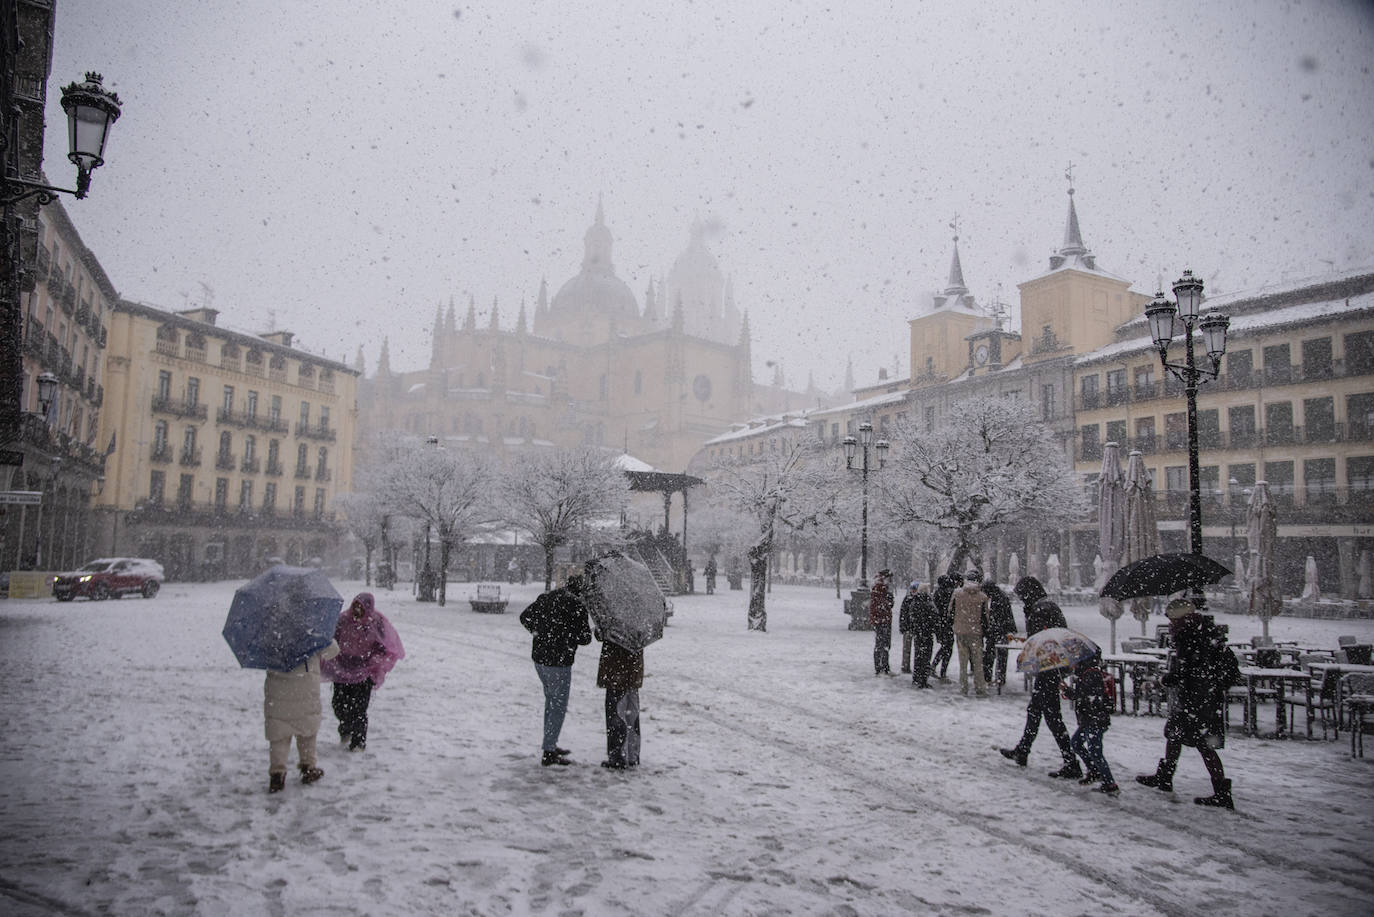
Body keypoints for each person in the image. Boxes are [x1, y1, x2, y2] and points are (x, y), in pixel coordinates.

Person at [1136, 598, 1240, 809]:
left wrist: (1164, 679)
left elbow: (1185, 672)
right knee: (1179, 737)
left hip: (1196, 700)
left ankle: (1219, 792)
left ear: (1182, 620)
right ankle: (1167, 778)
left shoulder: (1189, 638)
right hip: (1207, 699)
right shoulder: (1207, 634)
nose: (1171, 625)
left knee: (1200, 744)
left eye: (1173, 620)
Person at [999, 576, 1079, 778]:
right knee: (1034, 711)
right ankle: (1023, 750)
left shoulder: (1039, 610)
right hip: (1053, 665)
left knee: (1052, 717)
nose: (1021, 600)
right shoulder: (1047, 606)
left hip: (1048, 668)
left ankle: (1071, 761)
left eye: (1021, 596)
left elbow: (1039, 640)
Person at [518, 575, 593, 766]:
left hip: (540, 659)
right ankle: (549, 751)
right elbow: (585, 638)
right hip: (559, 662)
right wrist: (568, 638)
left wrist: (538, 632)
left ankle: (550, 743)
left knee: (550, 702)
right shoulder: (577, 606)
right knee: (557, 706)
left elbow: (524, 617)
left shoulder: (547, 597)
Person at [321, 592, 406, 753]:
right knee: (339, 704)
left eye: (362, 607)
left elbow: (384, 646)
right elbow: (331, 639)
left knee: (359, 709)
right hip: (342, 668)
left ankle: (358, 741)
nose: (358, 610)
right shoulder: (342, 620)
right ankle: (345, 727)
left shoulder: (376, 623)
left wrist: (374, 660)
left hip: (364, 671)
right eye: (356, 606)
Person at [264, 639, 339, 793]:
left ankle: (277, 773)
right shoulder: (312, 631)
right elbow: (332, 651)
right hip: (305, 687)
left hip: (278, 691)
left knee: (279, 734)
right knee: (308, 729)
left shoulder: (272, 632)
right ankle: (308, 766)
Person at [1064, 650, 1118, 795]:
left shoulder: (1090, 674)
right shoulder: (1087, 672)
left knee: (1095, 751)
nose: (1072, 663)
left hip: (1094, 720)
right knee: (1076, 743)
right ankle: (1094, 771)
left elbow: (1088, 696)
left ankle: (1109, 783)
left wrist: (1070, 693)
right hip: (1091, 719)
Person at [598, 634, 644, 770]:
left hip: (616, 669)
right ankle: (632, 754)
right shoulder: (641, 618)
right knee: (632, 713)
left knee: (616, 713)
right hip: (633, 669)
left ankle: (618, 756)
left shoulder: (613, 616)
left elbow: (600, 635)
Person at [949, 571, 989, 697]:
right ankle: (980, 687)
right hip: (976, 632)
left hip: (961, 631)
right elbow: (985, 616)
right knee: (978, 662)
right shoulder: (982, 596)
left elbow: (950, 612)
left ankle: (963, 687)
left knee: (963, 662)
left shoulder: (957, 594)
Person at [981, 579, 1017, 686]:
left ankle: (990, 677)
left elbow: (1000, 616)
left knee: (992, 654)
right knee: (999, 655)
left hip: (998, 630)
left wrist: (989, 628)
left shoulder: (998, 598)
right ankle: (999, 678)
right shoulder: (999, 596)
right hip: (999, 630)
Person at [906, 583, 938, 688]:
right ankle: (923, 679)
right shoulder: (929, 603)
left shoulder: (914, 602)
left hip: (918, 634)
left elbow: (911, 617)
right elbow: (935, 618)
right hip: (927, 634)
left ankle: (916, 677)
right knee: (926, 656)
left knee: (918, 655)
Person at [931, 573, 959, 683]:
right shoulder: (949, 593)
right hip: (946, 624)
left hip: (940, 624)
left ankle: (934, 666)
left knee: (944, 647)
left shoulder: (938, 593)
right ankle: (942, 671)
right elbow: (951, 609)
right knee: (948, 648)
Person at [869, 569, 895, 675]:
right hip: (882, 620)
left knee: (882, 644)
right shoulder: (881, 589)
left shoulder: (879, 588)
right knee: (883, 644)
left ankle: (882, 666)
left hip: (881, 620)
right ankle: (882, 667)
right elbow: (886, 605)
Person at [898, 580, 920, 674]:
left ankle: (908, 666)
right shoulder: (909, 599)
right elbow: (902, 613)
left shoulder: (910, 599)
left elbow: (903, 614)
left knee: (911, 648)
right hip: (910, 627)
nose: (913, 590)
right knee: (907, 648)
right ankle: (906, 666)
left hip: (912, 627)